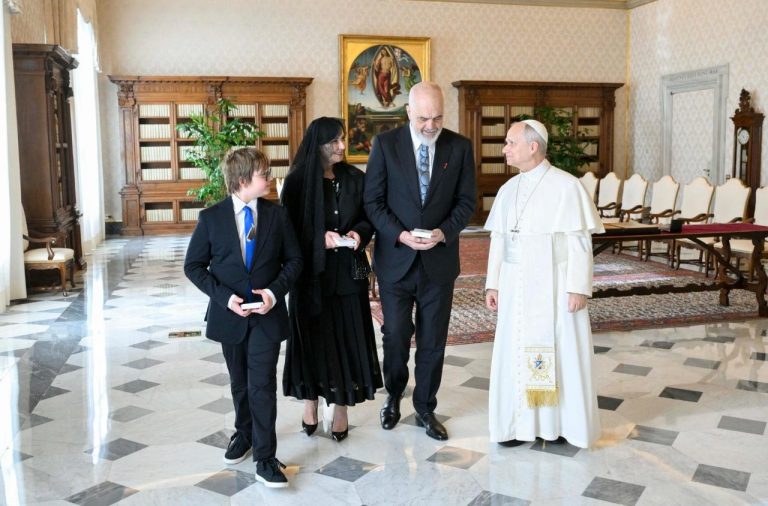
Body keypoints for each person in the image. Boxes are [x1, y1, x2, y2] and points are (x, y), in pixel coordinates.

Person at [364, 82, 476, 441]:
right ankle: (394, 396)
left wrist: (444, 232)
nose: (431, 125)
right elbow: (374, 202)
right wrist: (400, 234)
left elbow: (466, 202)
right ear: (408, 113)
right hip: (396, 260)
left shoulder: (459, 147)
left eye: (438, 117)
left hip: (438, 263)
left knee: (433, 340)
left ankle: (426, 407)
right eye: (424, 117)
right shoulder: (385, 145)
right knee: (395, 334)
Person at [184, 147, 302, 488]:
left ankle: (266, 458)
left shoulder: (277, 216)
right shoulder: (211, 218)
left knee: (261, 384)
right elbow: (193, 266)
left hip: (267, 315)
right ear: (242, 180)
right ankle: (244, 433)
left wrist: (272, 293)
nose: (269, 178)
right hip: (230, 316)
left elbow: (294, 262)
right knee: (239, 382)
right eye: (263, 173)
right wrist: (224, 298)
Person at [484, 119, 604, 449]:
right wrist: (492, 284)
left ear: (532, 147)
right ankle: (515, 426)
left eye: (510, 142)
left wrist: (578, 287)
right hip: (515, 284)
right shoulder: (508, 190)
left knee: (561, 349)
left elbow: (579, 240)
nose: (504, 148)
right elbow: (498, 239)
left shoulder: (567, 187)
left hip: (555, 284)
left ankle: (560, 425)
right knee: (515, 350)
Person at [281, 117, 383, 442]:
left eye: (342, 139)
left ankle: (341, 407)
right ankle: (310, 400)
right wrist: (317, 239)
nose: (341, 146)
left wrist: (358, 233)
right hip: (311, 278)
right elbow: (288, 232)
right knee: (313, 340)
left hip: (347, 278)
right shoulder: (297, 182)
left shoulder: (355, 177)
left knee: (346, 339)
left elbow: (369, 218)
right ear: (318, 145)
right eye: (334, 141)